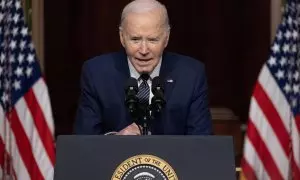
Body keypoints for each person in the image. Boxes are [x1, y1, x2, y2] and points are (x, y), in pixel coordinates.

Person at [74, 0, 213, 135]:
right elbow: (83, 142)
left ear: (166, 38)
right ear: (122, 37)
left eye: (153, 40)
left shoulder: (191, 74)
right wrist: (115, 141)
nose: (144, 50)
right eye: (135, 39)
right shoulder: (97, 73)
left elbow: (201, 143)